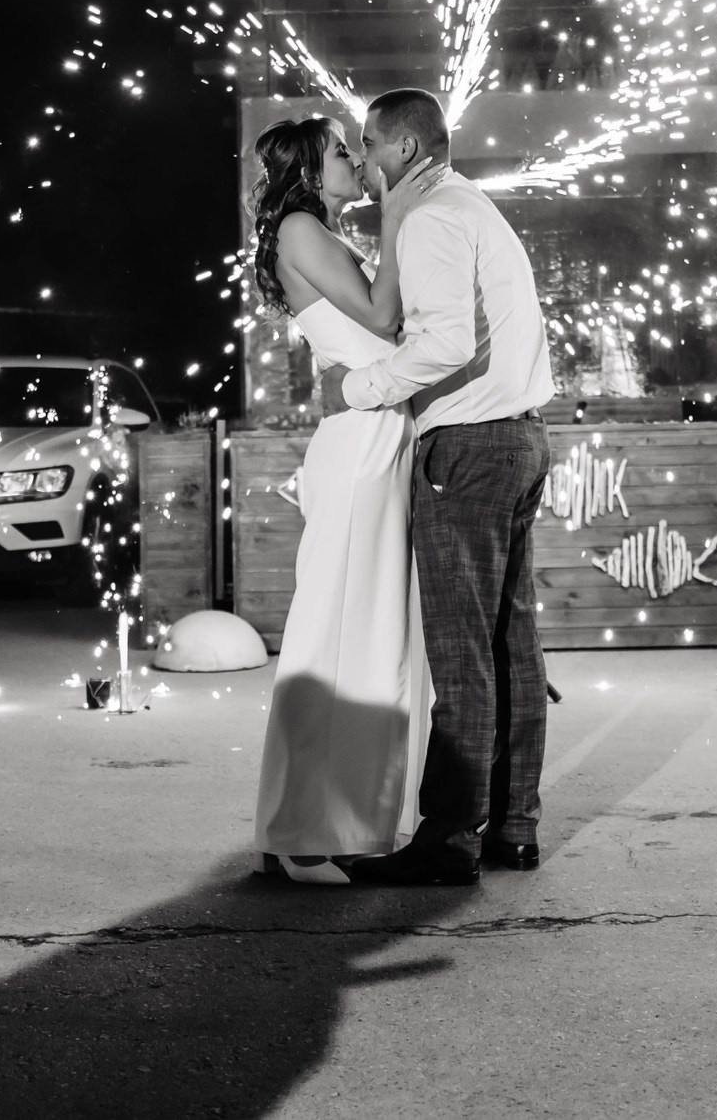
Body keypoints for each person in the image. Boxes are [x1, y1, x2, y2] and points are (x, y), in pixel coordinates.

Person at [318, 89, 555, 885]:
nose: (366, 161)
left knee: (461, 654)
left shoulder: (427, 218)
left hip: (470, 445)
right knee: (510, 645)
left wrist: (357, 389)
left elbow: (445, 341)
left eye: (371, 145)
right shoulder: (474, 206)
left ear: (407, 149)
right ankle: (513, 826)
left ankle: (449, 837)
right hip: (521, 437)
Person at [249, 114, 444, 885]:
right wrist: (397, 212)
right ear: (306, 166)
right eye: (340, 151)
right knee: (338, 635)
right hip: (358, 444)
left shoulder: (318, 231)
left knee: (372, 638)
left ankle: (325, 821)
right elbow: (379, 318)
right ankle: (303, 829)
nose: (354, 161)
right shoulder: (299, 225)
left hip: (376, 434)